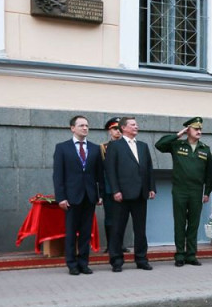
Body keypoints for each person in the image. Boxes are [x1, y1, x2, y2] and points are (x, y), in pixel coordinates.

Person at [155, 117, 212, 267]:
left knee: (193, 224)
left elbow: (209, 174)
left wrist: (207, 192)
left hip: (196, 191)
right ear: (188, 130)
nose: (199, 131)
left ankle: (191, 255)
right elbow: (159, 145)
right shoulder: (177, 145)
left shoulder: (205, 149)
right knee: (180, 223)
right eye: (196, 129)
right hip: (180, 190)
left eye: (200, 129)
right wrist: (178, 135)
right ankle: (180, 255)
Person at [52, 116, 103, 275]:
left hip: (89, 196)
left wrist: (100, 194)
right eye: (81, 125)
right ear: (72, 128)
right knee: (71, 232)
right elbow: (58, 175)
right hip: (71, 197)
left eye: (87, 125)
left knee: (86, 232)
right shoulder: (62, 148)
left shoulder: (95, 148)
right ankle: (72, 264)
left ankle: (83, 263)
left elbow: (100, 174)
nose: (85, 128)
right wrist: (61, 197)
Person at [105, 117, 156, 272]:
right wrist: (115, 190)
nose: (136, 127)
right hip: (122, 195)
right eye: (132, 125)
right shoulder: (115, 146)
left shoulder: (143, 146)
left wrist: (151, 187)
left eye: (136, 124)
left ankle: (141, 259)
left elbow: (149, 168)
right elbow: (110, 170)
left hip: (140, 194)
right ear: (123, 128)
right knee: (117, 229)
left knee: (140, 230)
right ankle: (116, 260)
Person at [100, 117, 128, 253]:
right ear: (109, 131)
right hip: (109, 188)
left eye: (119, 129)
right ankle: (111, 244)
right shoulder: (103, 148)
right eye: (114, 129)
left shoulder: (128, 145)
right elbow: (102, 170)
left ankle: (120, 244)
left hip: (125, 188)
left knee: (122, 218)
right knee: (110, 218)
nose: (117, 131)